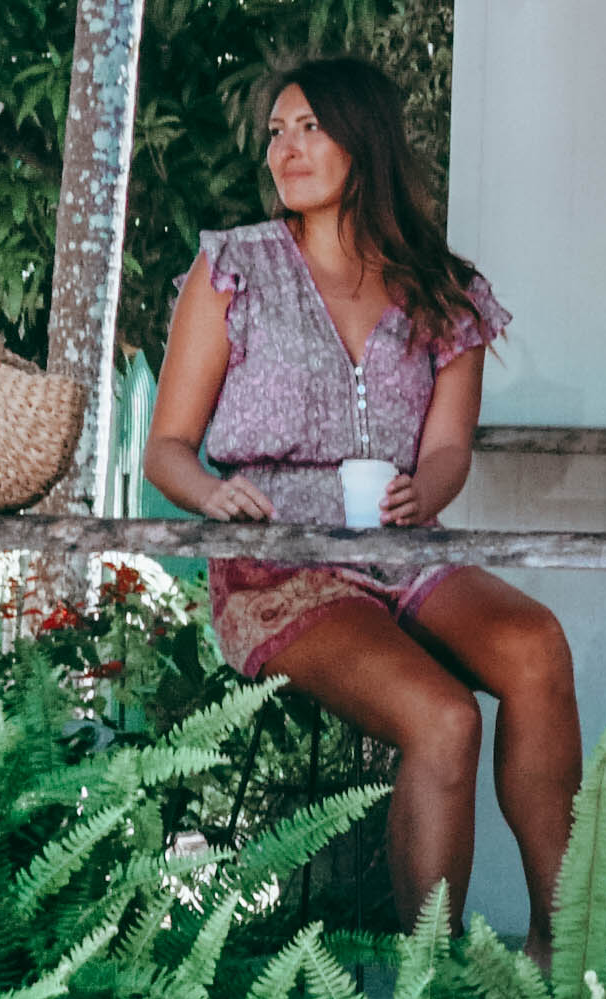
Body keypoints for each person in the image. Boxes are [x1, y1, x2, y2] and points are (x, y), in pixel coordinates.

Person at [144, 60, 582, 935]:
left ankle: (557, 945)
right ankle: (435, 988)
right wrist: (214, 496)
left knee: (536, 647)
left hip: (402, 547)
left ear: (363, 137)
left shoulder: (443, 290)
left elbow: (450, 445)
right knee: (445, 718)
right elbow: (166, 449)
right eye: (276, 132)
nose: (286, 148)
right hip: (279, 563)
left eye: (308, 126)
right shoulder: (233, 268)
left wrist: (429, 492)